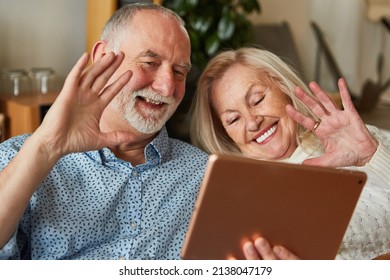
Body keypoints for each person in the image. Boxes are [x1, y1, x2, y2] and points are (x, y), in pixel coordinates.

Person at [0, 3, 209, 260]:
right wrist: (45, 148)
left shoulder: (205, 175)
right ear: (103, 57)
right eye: (149, 62)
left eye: (179, 72)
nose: (167, 87)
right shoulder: (18, 158)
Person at [190, 47, 390, 260]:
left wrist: (371, 156)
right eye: (233, 119)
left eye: (257, 100)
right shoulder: (238, 201)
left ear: (284, 87)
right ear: (225, 134)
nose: (252, 121)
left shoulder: (357, 136)